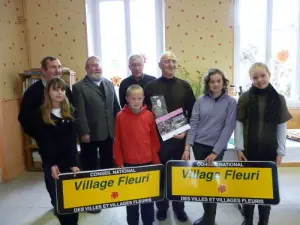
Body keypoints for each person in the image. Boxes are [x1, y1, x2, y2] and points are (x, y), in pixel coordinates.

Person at [235, 62, 292, 225]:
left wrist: (281, 151)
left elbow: (282, 126)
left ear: (269, 75)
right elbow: (239, 123)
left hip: (269, 151)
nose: (259, 80)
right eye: (255, 77)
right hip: (248, 151)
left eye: (263, 76)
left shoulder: (279, 98)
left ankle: (264, 220)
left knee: (266, 187)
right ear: (250, 79)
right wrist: (239, 148)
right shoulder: (245, 97)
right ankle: (247, 219)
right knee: (248, 186)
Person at [144, 51, 196, 222]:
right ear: (160, 65)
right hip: (158, 140)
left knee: (178, 174)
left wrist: (185, 131)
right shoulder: (151, 86)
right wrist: (174, 131)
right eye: (167, 61)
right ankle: (162, 207)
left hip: (180, 140)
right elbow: (149, 114)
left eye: (174, 61)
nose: (171, 65)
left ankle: (179, 207)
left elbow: (193, 112)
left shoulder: (185, 85)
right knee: (161, 174)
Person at [183, 68, 237, 225]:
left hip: (216, 149)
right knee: (203, 183)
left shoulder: (231, 102)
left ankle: (210, 220)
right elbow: (193, 124)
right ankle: (206, 215)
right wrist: (187, 146)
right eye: (212, 81)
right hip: (199, 146)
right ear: (207, 83)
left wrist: (215, 152)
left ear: (223, 82)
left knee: (213, 184)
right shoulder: (200, 100)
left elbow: (229, 128)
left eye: (218, 81)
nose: (215, 84)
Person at [26, 78, 79, 225]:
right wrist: (52, 164)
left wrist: (74, 163)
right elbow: (44, 144)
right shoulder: (40, 114)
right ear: (47, 92)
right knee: (59, 204)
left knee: (73, 205)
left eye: (62, 89)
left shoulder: (70, 112)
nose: (59, 93)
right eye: (55, 89)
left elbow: (71, 143)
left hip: (69, 164)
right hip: (52, 164)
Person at [72, 56, 120, 213]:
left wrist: (118, 129)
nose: (97, 68)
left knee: (107, 163)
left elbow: (115, 108)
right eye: (93, 66)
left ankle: (105, 194)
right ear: (86, 68)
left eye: (98, 66)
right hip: (90, 134)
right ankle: (91, 199)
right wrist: (84, 132)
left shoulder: (108, 83)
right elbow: (79, 112)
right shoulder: (79, 87)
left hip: (108, 133)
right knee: (90, 165)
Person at [114, 84, 160, 225]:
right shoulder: (120, 116)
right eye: (133, 98)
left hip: (147, 164)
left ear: (143, 99)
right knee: (131, 200)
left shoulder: (149, 115)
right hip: (129, 164)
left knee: (147, 199)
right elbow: (117, 141)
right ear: (127, 99)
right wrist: (119, 162)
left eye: (139, 98)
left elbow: (154, 141)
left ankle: (148, 222)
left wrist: (155, 161)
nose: (136, 101)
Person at [18, 56, 72, 138]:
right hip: (46, 141)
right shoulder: (33, 91)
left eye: (59, 67)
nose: (58, 71)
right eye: (53, 67)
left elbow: (71, 111)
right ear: (43, 70)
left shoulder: (66, 88)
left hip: (66, 138)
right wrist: (40, 136)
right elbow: (24, 118)